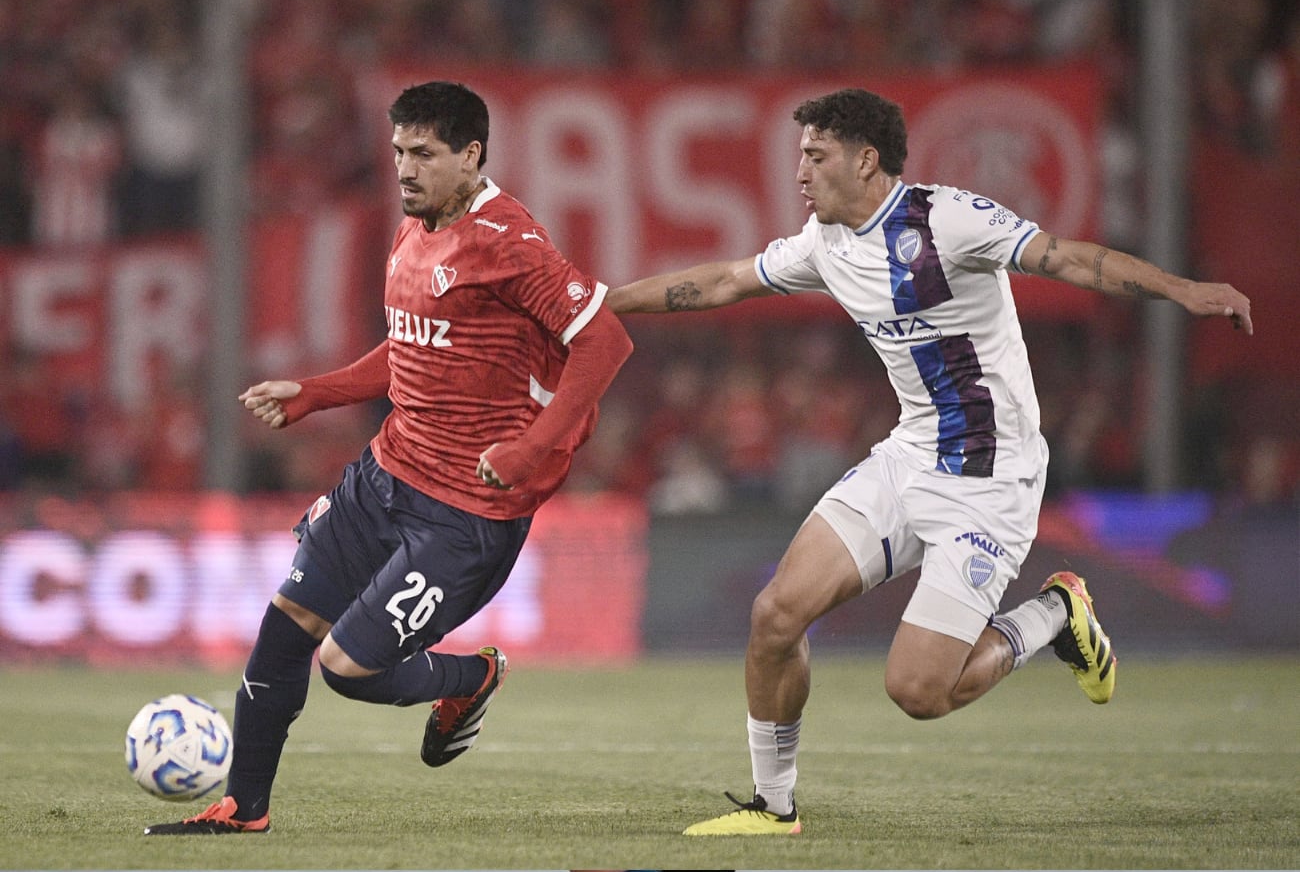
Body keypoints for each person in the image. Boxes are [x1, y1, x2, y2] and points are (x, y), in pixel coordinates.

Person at [607, 88, 1253, 836]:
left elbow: (1069, 259)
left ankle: (1053, 613)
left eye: (815, 156)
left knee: (918, 689)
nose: (801, 175)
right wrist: (603, 305)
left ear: (866, 158)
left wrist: (1184, 289)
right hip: (910, 457)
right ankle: (772, 805)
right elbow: (720, 281)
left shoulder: (948, 220)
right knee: (775, 615)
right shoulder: (823, 244)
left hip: (993, 480)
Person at [144, 80, 633, 835]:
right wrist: (317, 392)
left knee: (349, 667)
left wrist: (533, 446)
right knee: (284, 626)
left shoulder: (509, 241)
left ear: (471, 156)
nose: (405, 167)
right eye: (399, 150)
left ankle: (472, 675)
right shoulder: (415, 227)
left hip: (464, 514)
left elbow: (605, 340)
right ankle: (245, 805)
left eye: (424, 154)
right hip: (384, 475)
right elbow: (411, 348)